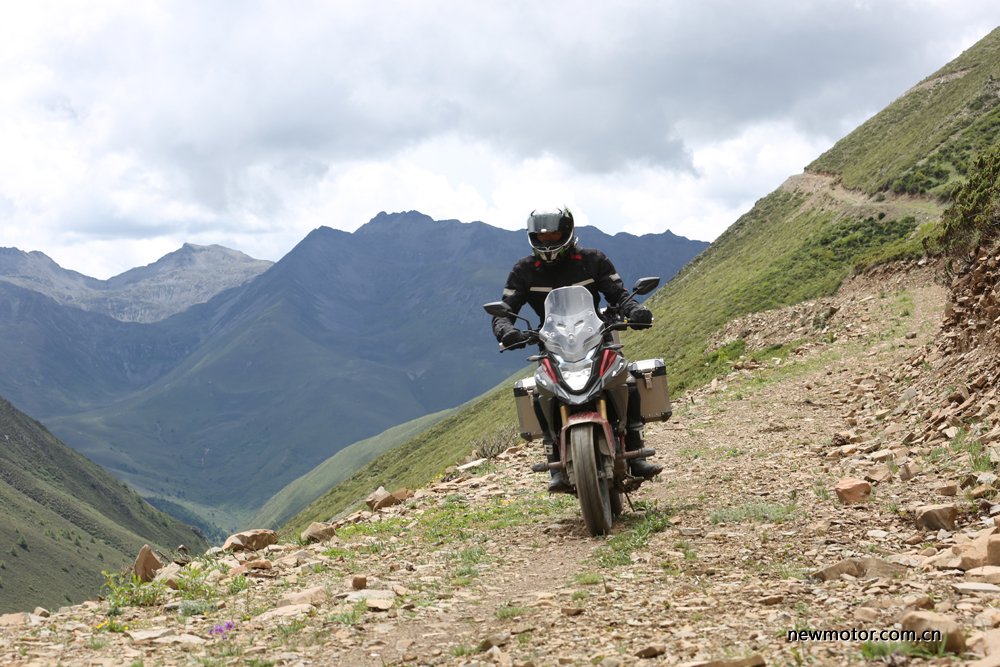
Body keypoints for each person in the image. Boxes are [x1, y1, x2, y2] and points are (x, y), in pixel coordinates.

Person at [491, 207, 662, 492]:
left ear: (568, 232)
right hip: (553, 344)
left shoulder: (593, 260)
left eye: (554, 235)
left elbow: (618, 295)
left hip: (595, 337)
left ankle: (635, 451)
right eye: (541, 237)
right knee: (541, 391)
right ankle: (554, 459)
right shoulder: (523, 270)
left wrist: (635, 310)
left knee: (628, 381)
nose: (547, 242)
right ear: (532, 237)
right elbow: (504, 310)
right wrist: (506, 331)